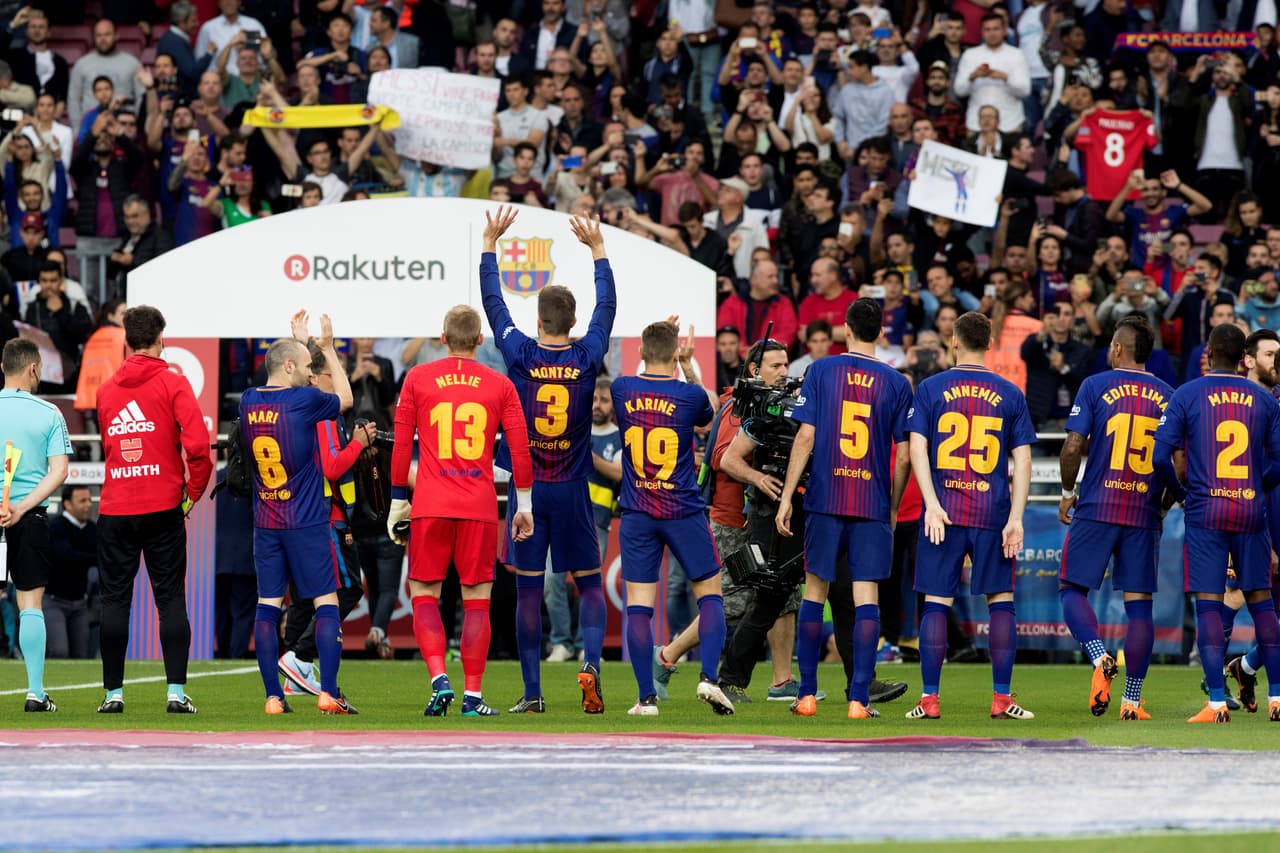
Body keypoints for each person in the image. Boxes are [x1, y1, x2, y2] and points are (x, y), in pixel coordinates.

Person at [478, 205, 616, 715]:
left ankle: (533, 693)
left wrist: (489, 246)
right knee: (589, 584)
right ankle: (591, 666)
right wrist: (598, 251)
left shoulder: (519, 354)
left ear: (537, 320)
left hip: (528, 493)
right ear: (574, 322)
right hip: (576, 487)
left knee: (529, 593)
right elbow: (609, 309)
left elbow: (494, 306)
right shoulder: (586, 358)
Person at [387, 302, 534, 718]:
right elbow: (519, 451)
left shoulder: (418, 377)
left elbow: (401, 447)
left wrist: (399, 499)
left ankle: (438, 678)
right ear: (481, 341)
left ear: (443, 338)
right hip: (479, 505)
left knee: (425, 594)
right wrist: (524, 504)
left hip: (431, 503)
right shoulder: (499, 383)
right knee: (477, 601)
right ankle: (472, 696)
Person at [775, 298, 912, 719]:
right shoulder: (897, 382)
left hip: (824, 499)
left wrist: (785, 497)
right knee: (866, 595)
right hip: (870, 500)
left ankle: (808, 695)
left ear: (846, 330)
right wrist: (890, 507)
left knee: (815, 593)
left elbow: (804, 438)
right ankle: (859, 700)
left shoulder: (820, 370)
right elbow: (903, 456)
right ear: (880, 332)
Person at [906, 311, 1037, 721]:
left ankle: (929, 700)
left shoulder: (930, 388)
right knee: (1001, 602)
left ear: (954, 341)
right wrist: (1016, 517)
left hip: (943, 510)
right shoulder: (1010, 392)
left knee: (936, 603)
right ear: (991, 343)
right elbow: (1024, 459)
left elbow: (916, 449)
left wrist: (929, 501)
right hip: (992, 512)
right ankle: (1001, 699)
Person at [1154, 323, 1280, 724]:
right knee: (1261, 601)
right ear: (1243, 356)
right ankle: (1278, 697)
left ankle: (1216, 703)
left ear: (1208, 353)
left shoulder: (1186, 394)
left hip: (1206, 509)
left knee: (1208, 603)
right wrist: (1257, 484)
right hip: (1249, 509)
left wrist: (1183, 490)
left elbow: (1161, 456)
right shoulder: (1262, 399)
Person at [612, 320, 734, 717]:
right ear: (675, 354)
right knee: (711, 596)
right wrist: (689, 362)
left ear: (641, 353)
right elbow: (710, 412)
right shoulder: (687, 394)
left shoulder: (622, 389)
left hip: (638, 510)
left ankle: (646, 698)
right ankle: (709, 679)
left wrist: (661, 347)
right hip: (682, 508)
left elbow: (638, 380)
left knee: (639, 608)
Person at [95, 305, 213, 714]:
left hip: (115, 507)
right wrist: (191, 494)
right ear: (161, 338)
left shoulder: (106, 392)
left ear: (126, 341)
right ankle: (176, 694)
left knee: (114, 601)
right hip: (163, 505)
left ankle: (113, 695)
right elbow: (199, 448)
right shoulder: (173, 383)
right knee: (170, 600)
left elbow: (110, 445)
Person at [240, 313, 357, 715]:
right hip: (305, 520)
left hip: (266, 522)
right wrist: (325, 348)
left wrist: (300, 344)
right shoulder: (304, 401)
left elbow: (287, 377)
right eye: (306, 369)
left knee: (268, 605)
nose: (311, 376)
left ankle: (273, 697)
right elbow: (345, 400)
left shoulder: (248, 400)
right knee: (327, 602)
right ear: (289, 366)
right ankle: (328, 691)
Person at [1056, 317, 1173, 721]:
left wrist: (1068, 493)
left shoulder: (1094, 385)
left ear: (1119, 349)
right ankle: (1132, 701)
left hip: (1098, 506)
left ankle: (1098, 654)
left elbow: (1072, 447)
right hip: (1143, 511)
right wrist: (1162, 506)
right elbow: (1180, 465)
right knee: (1139, 608)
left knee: (1072, 590)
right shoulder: (1169, 396)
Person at [276, 345, 378, 698]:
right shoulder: (322, 416)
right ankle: (300, 657)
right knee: (347, 590)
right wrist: (358, 444)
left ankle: (293, 674)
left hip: (306, 515)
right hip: (327, 518)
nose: (343, 382)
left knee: (307, 597)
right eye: (335, 374)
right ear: (317, 378)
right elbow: (332, 466)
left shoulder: (303, 412)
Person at [0, 338, 71, 711]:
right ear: (33, 369)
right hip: (28, 518)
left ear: (2, 368)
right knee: (30, 603)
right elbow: (59, 470)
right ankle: (34, 692)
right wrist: (23, 507)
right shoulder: (49, 413)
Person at [47, 484, 96, 659]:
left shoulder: (92, 529)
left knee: (80, 656)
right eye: (82, 500)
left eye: (89, 500)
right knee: (59, 652)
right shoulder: (56, 526)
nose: (88, 504)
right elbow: (65, 555)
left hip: (80, 603)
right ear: (67, 504)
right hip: (53, 601)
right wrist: (93, 557)